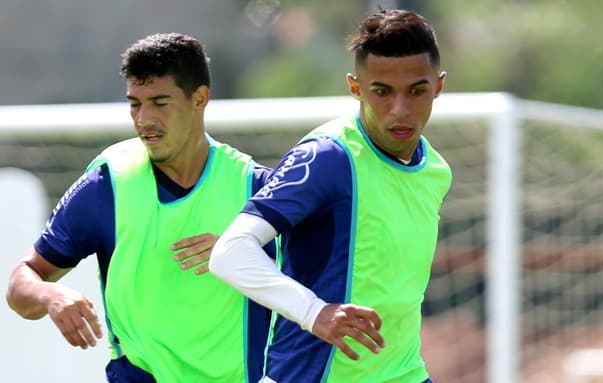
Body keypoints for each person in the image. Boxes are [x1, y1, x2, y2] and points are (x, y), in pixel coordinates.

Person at [5, 33, 274, 383]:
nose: (144, 118)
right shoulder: (107, 185)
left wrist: (243, 255)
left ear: (200, 99)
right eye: (135, 103)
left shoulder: (256, 188)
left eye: (160, 102)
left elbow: (317, 286)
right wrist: (51, 296)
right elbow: (22, 282)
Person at [208, 8, 452, 383]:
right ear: (355, 88)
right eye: (382, 92)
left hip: (404, 373)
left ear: (437, 86)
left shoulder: (435, 170)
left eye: (416, 91)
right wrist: (314, 312)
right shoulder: (328, 158)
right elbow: (229, 252)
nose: (400, 110)